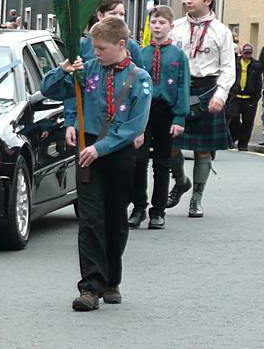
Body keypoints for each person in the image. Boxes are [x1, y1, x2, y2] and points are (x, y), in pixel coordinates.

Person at [40, 18, 151, 311]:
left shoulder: (139, 78)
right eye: (94, 48)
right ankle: (90, 286)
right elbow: (50, 89)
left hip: (117, 152)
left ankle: (112, 279)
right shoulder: (88, 69)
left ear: (121, 45)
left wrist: (100, 148)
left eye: (102, 48)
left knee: (115, 220)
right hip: (88, 150)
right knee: (90, 220)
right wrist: (61, 71)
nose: (97, 53)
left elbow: (134, 124)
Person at [166, 0, 235, 218]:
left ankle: (196, 199)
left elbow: (228, 68)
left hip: (208, 89)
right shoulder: (175, 28)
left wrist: (221, 95)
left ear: (208, 1)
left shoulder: (221, 31)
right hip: (179, 89)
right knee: (172, 146)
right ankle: (181, 181)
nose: (188, 1)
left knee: (203, 151)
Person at [130, 6, 189, 231]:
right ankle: (139, 208)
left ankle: (158, 211)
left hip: (166, 111)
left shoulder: (178, 55)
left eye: (162, 23)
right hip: (144, 112)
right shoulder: (142, 53)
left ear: (170, 27)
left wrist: (179, 118)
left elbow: (183, 86)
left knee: (162, 163)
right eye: (154, 22)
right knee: (138, 161)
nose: (157, 26)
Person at [79, 0, 143, 63]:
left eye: (121, 14)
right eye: (113, 13)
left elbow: (139, 71)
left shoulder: (132, 46)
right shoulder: (84, 45)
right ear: (100, 15)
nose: (118, 18)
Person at [226, 43, 261, 152]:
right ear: (241, 53)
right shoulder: (234, 63)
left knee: (248, 122)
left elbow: (259, 82)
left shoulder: (256, 64)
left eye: (249, 53)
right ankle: (232, 138)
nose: (247, 55)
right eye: (245, 53)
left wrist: (256, 96)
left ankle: (243, 144)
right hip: (235, 97)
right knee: (234, 118)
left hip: (249, 98)